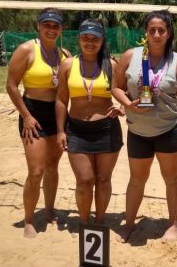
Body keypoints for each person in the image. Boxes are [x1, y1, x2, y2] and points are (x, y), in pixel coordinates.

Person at [111, 10, 177, 242]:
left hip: (168, 129)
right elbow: (116, 87)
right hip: (138, 130)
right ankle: (128, 223)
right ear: (146, 32)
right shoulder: (130, 56)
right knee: (137, 179)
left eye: (161, 30)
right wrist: (129, 105)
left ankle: (173, 224)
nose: (156, 34)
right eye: (152, 30)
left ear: (168, 34)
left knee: (171, 178)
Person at [5, 8, 69, 238]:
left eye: (56, 25)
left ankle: (49, 210)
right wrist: (26, 116)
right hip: (33, 113)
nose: (51, 29)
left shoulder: (64, 54)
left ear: (61, 29)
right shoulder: (27, 50)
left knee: (52, 167)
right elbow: (11, 86)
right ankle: (30, 219)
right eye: (47, 25)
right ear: (39, 26)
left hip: (57, 115)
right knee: (36, 171)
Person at [55, 18, 123, 227]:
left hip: (106, 129)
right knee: (84, 181)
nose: (90, 42)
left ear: (102, 41)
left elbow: (125, 92)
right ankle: (85, 223)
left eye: (95, 38)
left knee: (103, 180)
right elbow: (61, 100)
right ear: (79, 39)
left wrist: (123, 107)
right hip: (76, 129)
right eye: (86, 38)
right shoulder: (68, 65)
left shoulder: (111, 65)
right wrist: (60, 131)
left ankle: (100, 221)